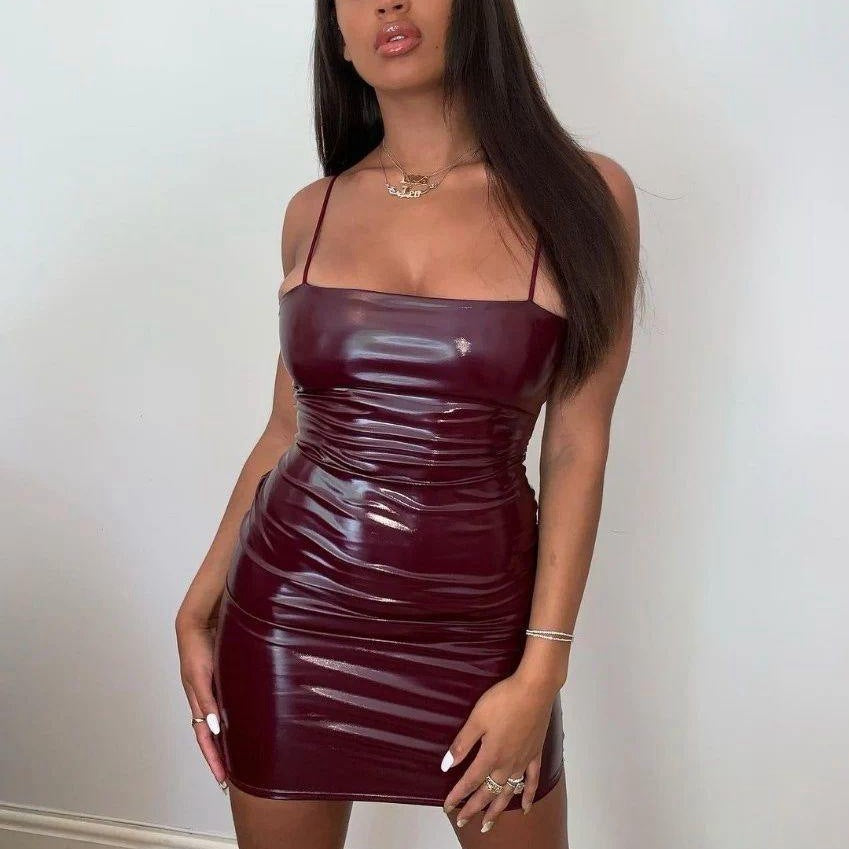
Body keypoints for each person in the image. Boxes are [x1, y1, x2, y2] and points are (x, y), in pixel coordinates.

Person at [175, 2, 641, 847]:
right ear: (337, 37)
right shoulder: (313, 210)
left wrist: (541, 667)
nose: (386, 3)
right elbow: (284, 428)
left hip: (481, 631)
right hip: (289, 618)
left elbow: (577, 443)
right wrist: (198, 602)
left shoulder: (584, 193)